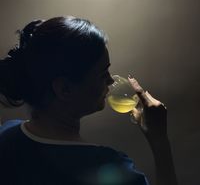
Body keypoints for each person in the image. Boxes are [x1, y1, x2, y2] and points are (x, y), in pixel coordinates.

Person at [0, 16, 178, 185]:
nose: (110, 81)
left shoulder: (6, 136)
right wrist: (160, 140)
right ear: (64, 89)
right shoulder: (106, 166)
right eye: (103, 74)